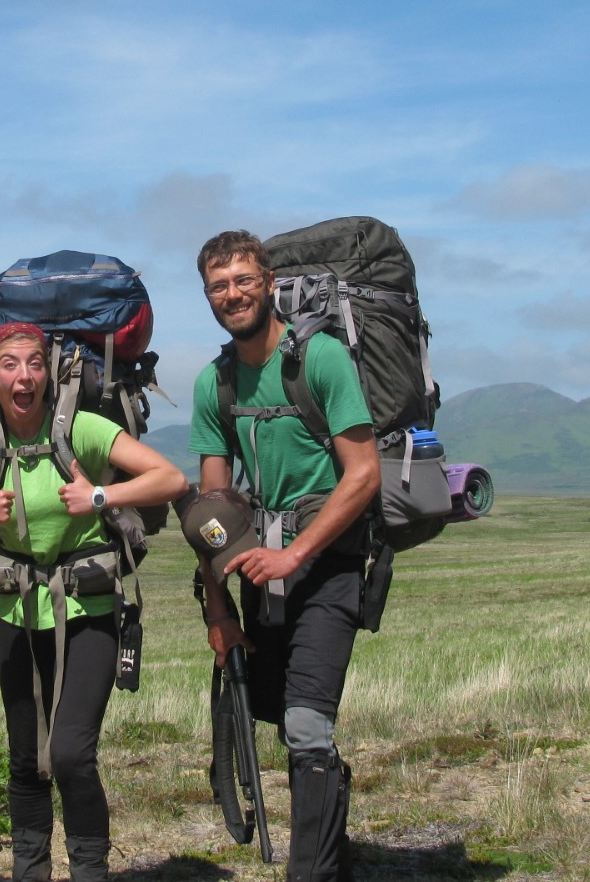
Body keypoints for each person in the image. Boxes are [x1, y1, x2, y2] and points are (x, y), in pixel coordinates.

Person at [0, 323, 188, 882]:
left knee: (69, 755)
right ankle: (29, 871)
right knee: (25, 758)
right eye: (9, 365)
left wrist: (100, 495)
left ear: (50, 373)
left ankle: (89, 871)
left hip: (89, 612)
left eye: (35, 363)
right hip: (17, 613)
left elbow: (171, 477)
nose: (24, 376)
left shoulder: (83, 429)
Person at [187, 231, 381, 882]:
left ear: (269, 282)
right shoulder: (215, 383)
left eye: (243, 280)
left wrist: (296, 554)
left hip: (326, 565)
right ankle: (332, 851)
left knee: (305, 726)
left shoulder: (319, 359)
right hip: (260, 574)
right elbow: (213, 514)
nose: (232, 294)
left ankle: (312, 874)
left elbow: (362, 474)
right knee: (288, 724)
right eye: (219, 285)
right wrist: (218, 612)